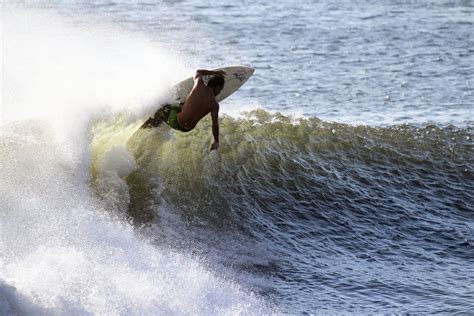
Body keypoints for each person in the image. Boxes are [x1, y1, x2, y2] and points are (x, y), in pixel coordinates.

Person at [141, 69, 226, 151]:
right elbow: (215, 124)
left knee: (162, 107)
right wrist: (216, 141)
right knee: (179, 107)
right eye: (221, 89)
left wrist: (214, 72)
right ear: (217, 87)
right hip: (187, 129)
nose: (220, 92)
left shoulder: (199, 84)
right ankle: (182, 105)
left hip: (176, 122)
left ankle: (145, 126)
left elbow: (198, 72)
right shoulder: (214, 105)